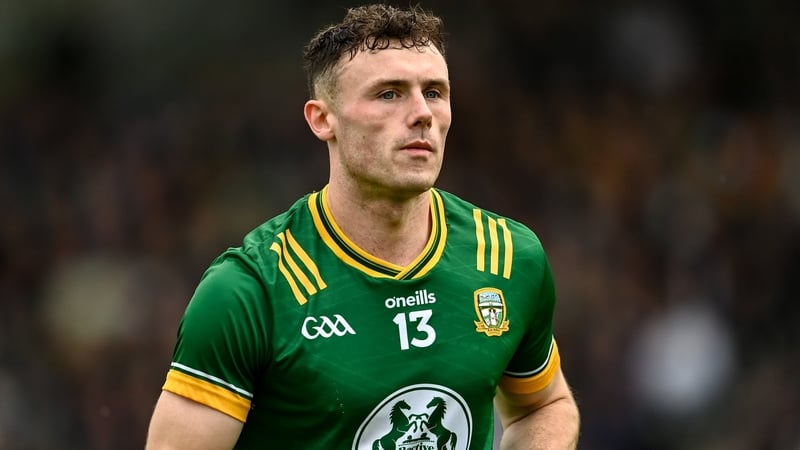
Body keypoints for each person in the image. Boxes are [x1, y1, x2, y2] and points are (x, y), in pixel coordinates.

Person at [145, 4, 580, 449]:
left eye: (433, 92)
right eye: (389, 94)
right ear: (322, 119)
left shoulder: (509, 258)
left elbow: (544, 405)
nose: (421, 113)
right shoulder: (250, 291)